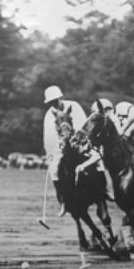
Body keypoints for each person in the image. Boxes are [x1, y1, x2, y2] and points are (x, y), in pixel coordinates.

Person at [43, 85, 87, 216]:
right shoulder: (49, 115)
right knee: (54, 170)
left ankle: (104, 190)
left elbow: (84, 124)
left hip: (80, 143)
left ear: (61, 97)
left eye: (56, 100)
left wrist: (77, 140)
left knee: (97, 160)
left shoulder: (74, 106)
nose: (54, 104)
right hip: (61, 149)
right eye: (51, 102)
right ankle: (64, 201)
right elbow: (48, 137)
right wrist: (50, 153)